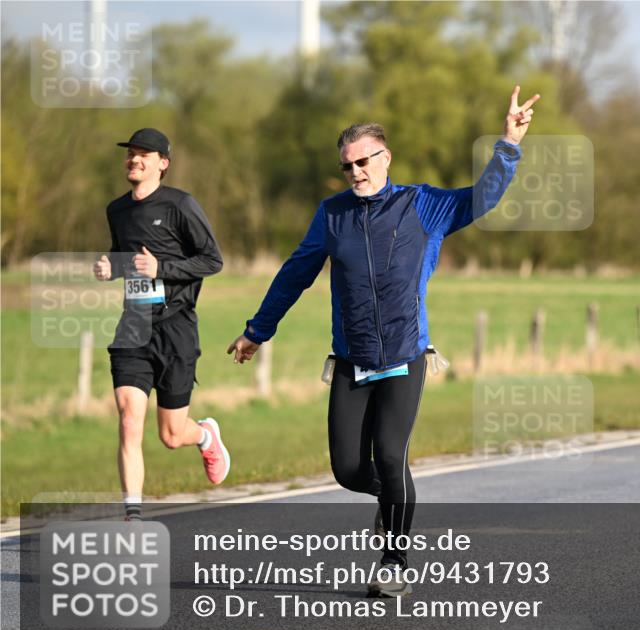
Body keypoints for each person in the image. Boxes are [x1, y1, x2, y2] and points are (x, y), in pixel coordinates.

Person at [227, 86, 539, 596]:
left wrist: (507, 144)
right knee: (349, 469)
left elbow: (482, 198)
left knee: (391, 456)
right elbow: (295, 274)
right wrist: (257, 331)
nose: (356, 172)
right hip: (352, 359)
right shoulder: (332, 215)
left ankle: (394, 561)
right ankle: (395, 498)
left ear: (385, 157)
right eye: (347, 166)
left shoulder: (423, 205)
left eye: (364, 161)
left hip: (404, 355)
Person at [92, 128, 230, 520]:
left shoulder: (180, 205)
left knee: (170, 435)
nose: (134, 160)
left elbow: (212, 260)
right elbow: (125, 259)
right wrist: (108, 267)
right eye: (131, 154)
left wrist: (162, 268)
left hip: (176, 326)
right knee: (128, 414)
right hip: (133, 324)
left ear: (162, 164)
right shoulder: (116, 210)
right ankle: (132, 515)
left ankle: (204, 434)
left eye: (144, 155)